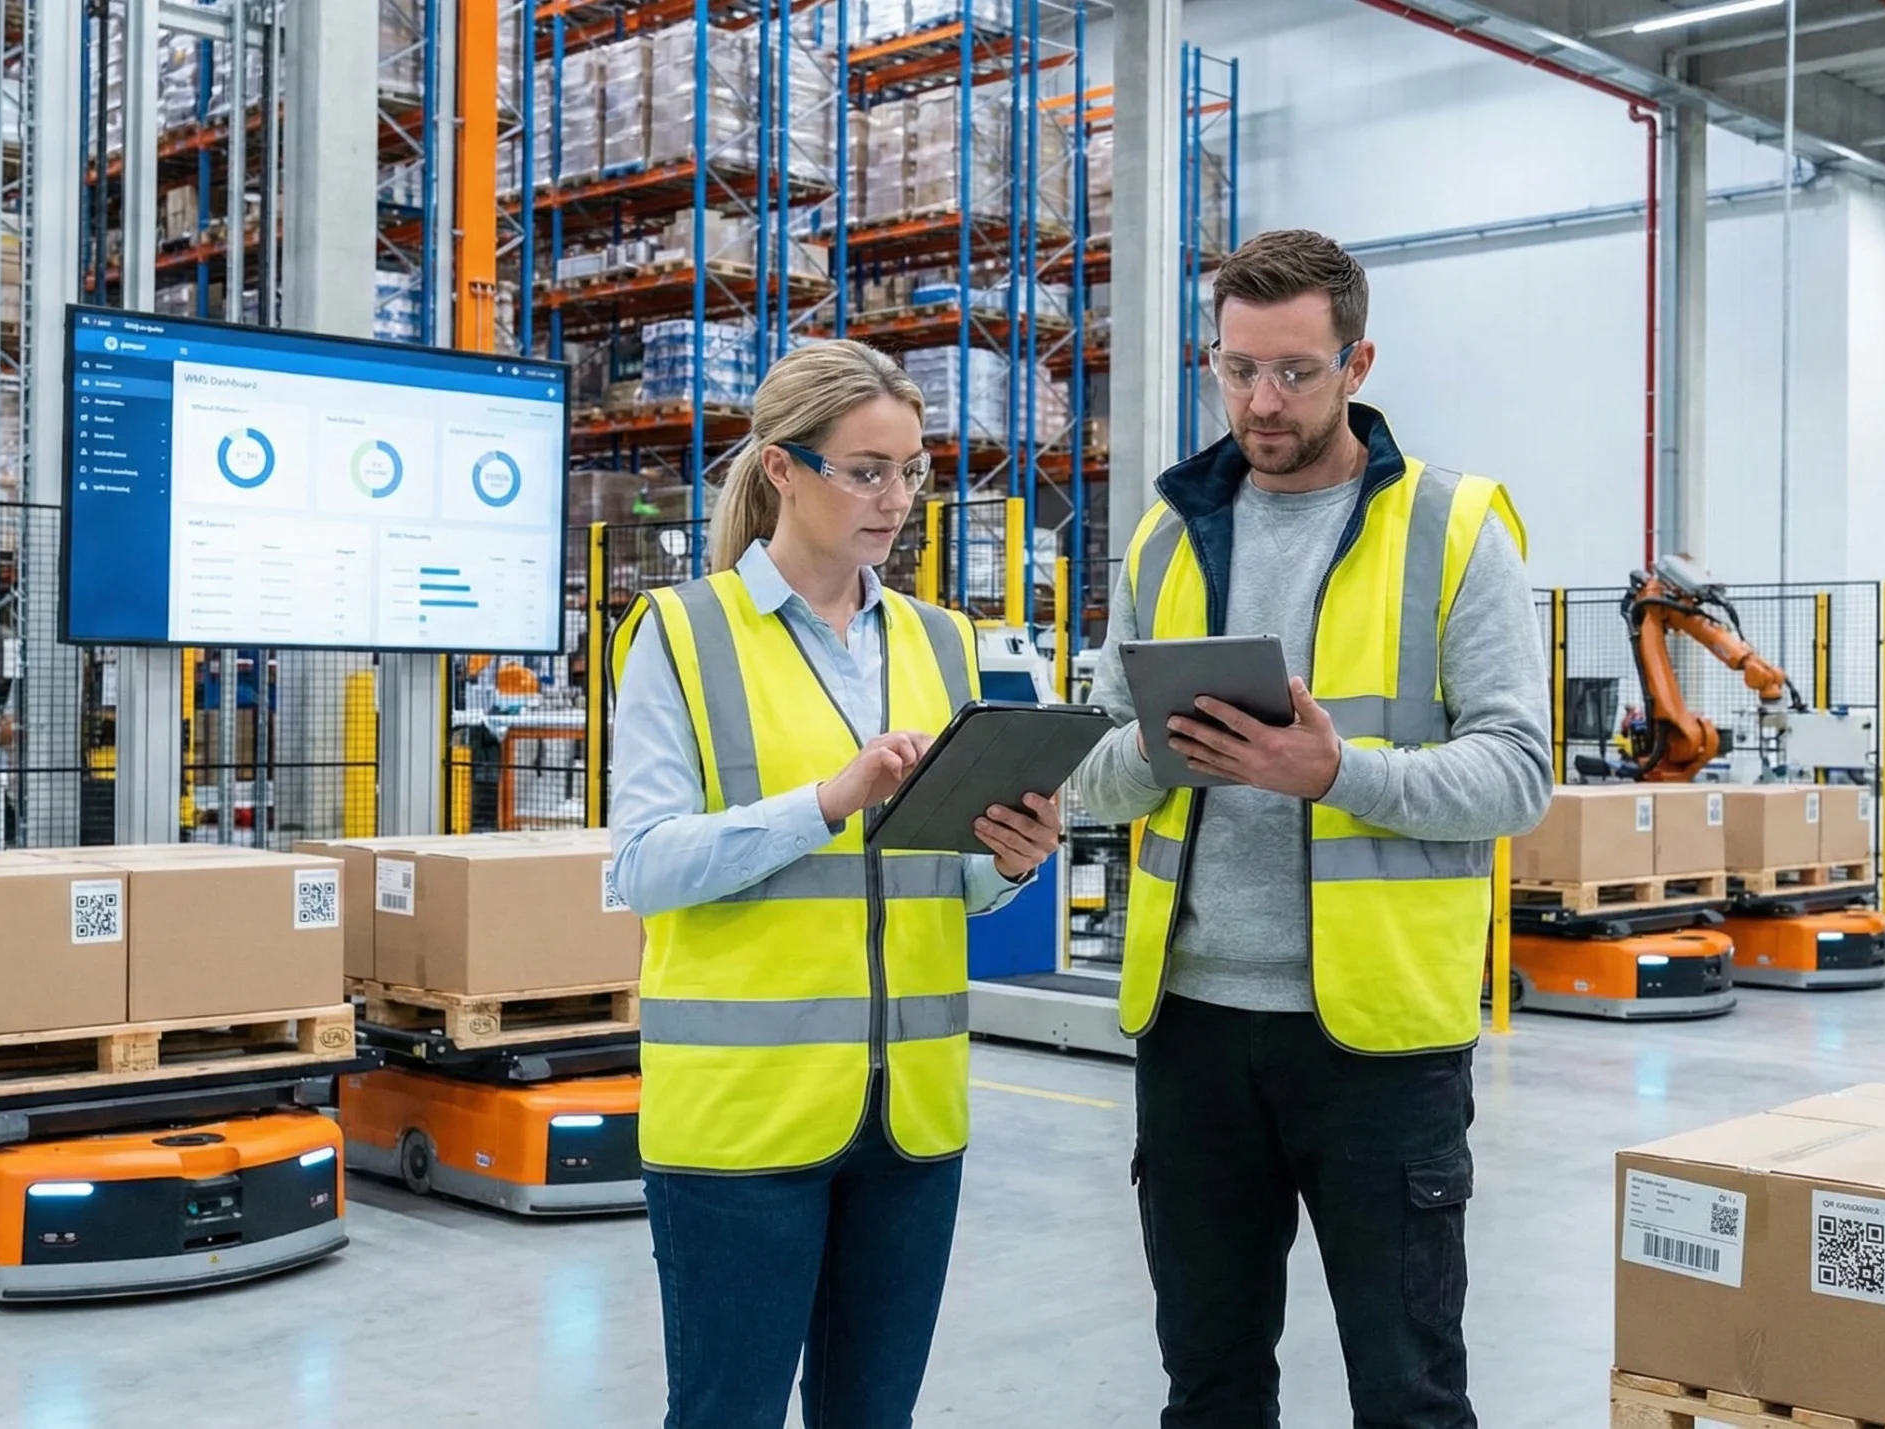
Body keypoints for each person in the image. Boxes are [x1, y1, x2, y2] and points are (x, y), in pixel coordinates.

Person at [1074, 229, 1553, 1428]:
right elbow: (1093, 771)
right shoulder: (1164, 535)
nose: (1261, 400)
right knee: (1211, 1385)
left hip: (1377, 1047)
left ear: (1358, 361)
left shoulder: (1454, 529)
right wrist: (1152, 754)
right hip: (1189, 1031)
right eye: (1236, 369)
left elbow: (1517, 775)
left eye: (1294, 371)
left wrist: (1337, 771)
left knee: (1406, 1392)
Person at [607, 339, 1066, 1429]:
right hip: (742, 1122)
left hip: (908, 1118)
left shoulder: (944, 644)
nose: (895, 498)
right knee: (729, 1413)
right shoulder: (682, 633)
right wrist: (825, 799)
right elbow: (642, 866)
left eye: (912, 470)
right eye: (866, 469)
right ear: (782, 469)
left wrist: (1006, 860)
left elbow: (943, 881)